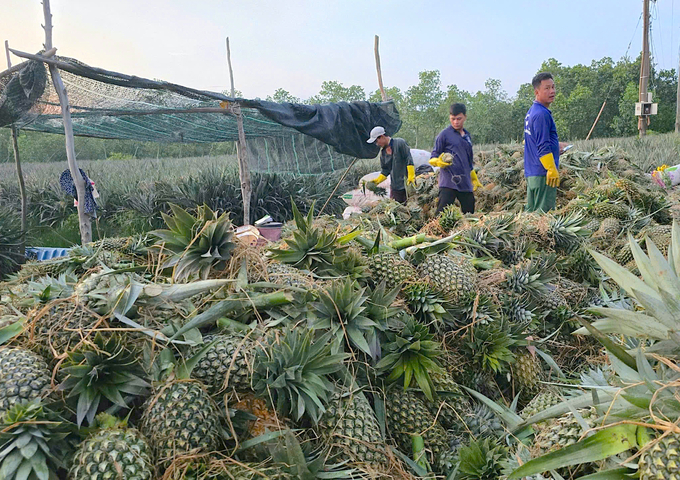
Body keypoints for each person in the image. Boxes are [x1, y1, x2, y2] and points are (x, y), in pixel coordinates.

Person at [523, 72, 568, 213]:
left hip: (533, 172)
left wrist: (556, 146)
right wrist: (551, 169)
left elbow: (534, 140)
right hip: (543, 174)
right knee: (543, 218)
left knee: (531, 217)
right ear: (537, 92)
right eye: (547, 88)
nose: (552, 91)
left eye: (553, 87)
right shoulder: (541, 114)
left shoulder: (533, 111)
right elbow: (542, 146)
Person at [429, 103, 482, 214]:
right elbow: (432, 157)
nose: (456, 122)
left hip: (465, 182)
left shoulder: (467, 136)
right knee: (442, 212)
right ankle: (436, 230)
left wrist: (474, 178)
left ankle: (465, 230)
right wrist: (438, 162)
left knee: (469, 211)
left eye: (459, 119)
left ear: (465, 117)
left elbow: (468, 161)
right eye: (453, 119)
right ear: (450, 117)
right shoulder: (444, 135)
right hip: (449, 181)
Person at [366, 126, 415, 205]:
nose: (377, 144)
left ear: (381, 137)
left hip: (407, 185)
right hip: (395, 187)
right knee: (397, 209)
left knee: (410, 207)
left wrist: (411, 176)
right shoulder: (383, 154)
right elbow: (385, 170)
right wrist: (377, 181)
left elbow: (408, 159)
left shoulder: (400, 143)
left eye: (376, 141)